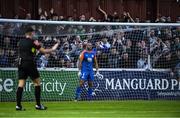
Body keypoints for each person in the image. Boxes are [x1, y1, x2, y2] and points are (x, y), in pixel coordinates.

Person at [16, 27, 59, 110]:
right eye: (33, 33)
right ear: (31, 33)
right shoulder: (34, 41)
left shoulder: (20, 42)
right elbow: (44, 51)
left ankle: (18, 106)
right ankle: (38, 105)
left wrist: (33, 52)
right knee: (37, 83)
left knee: (21, 84)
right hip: (29, 63)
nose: (34, 34)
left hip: (21, 63)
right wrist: (53, 48)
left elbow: (27, 51)